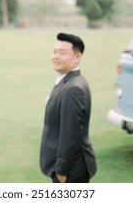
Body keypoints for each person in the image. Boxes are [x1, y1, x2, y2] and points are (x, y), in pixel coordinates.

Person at [40, 33, 97, 183]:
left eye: (62, 52)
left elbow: (70, 135)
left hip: (71, 170)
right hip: (69, 167)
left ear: (78, 57)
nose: (55, 56)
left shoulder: (73, 89)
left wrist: (61, 172)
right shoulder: (67, 81)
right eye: (54, 51)